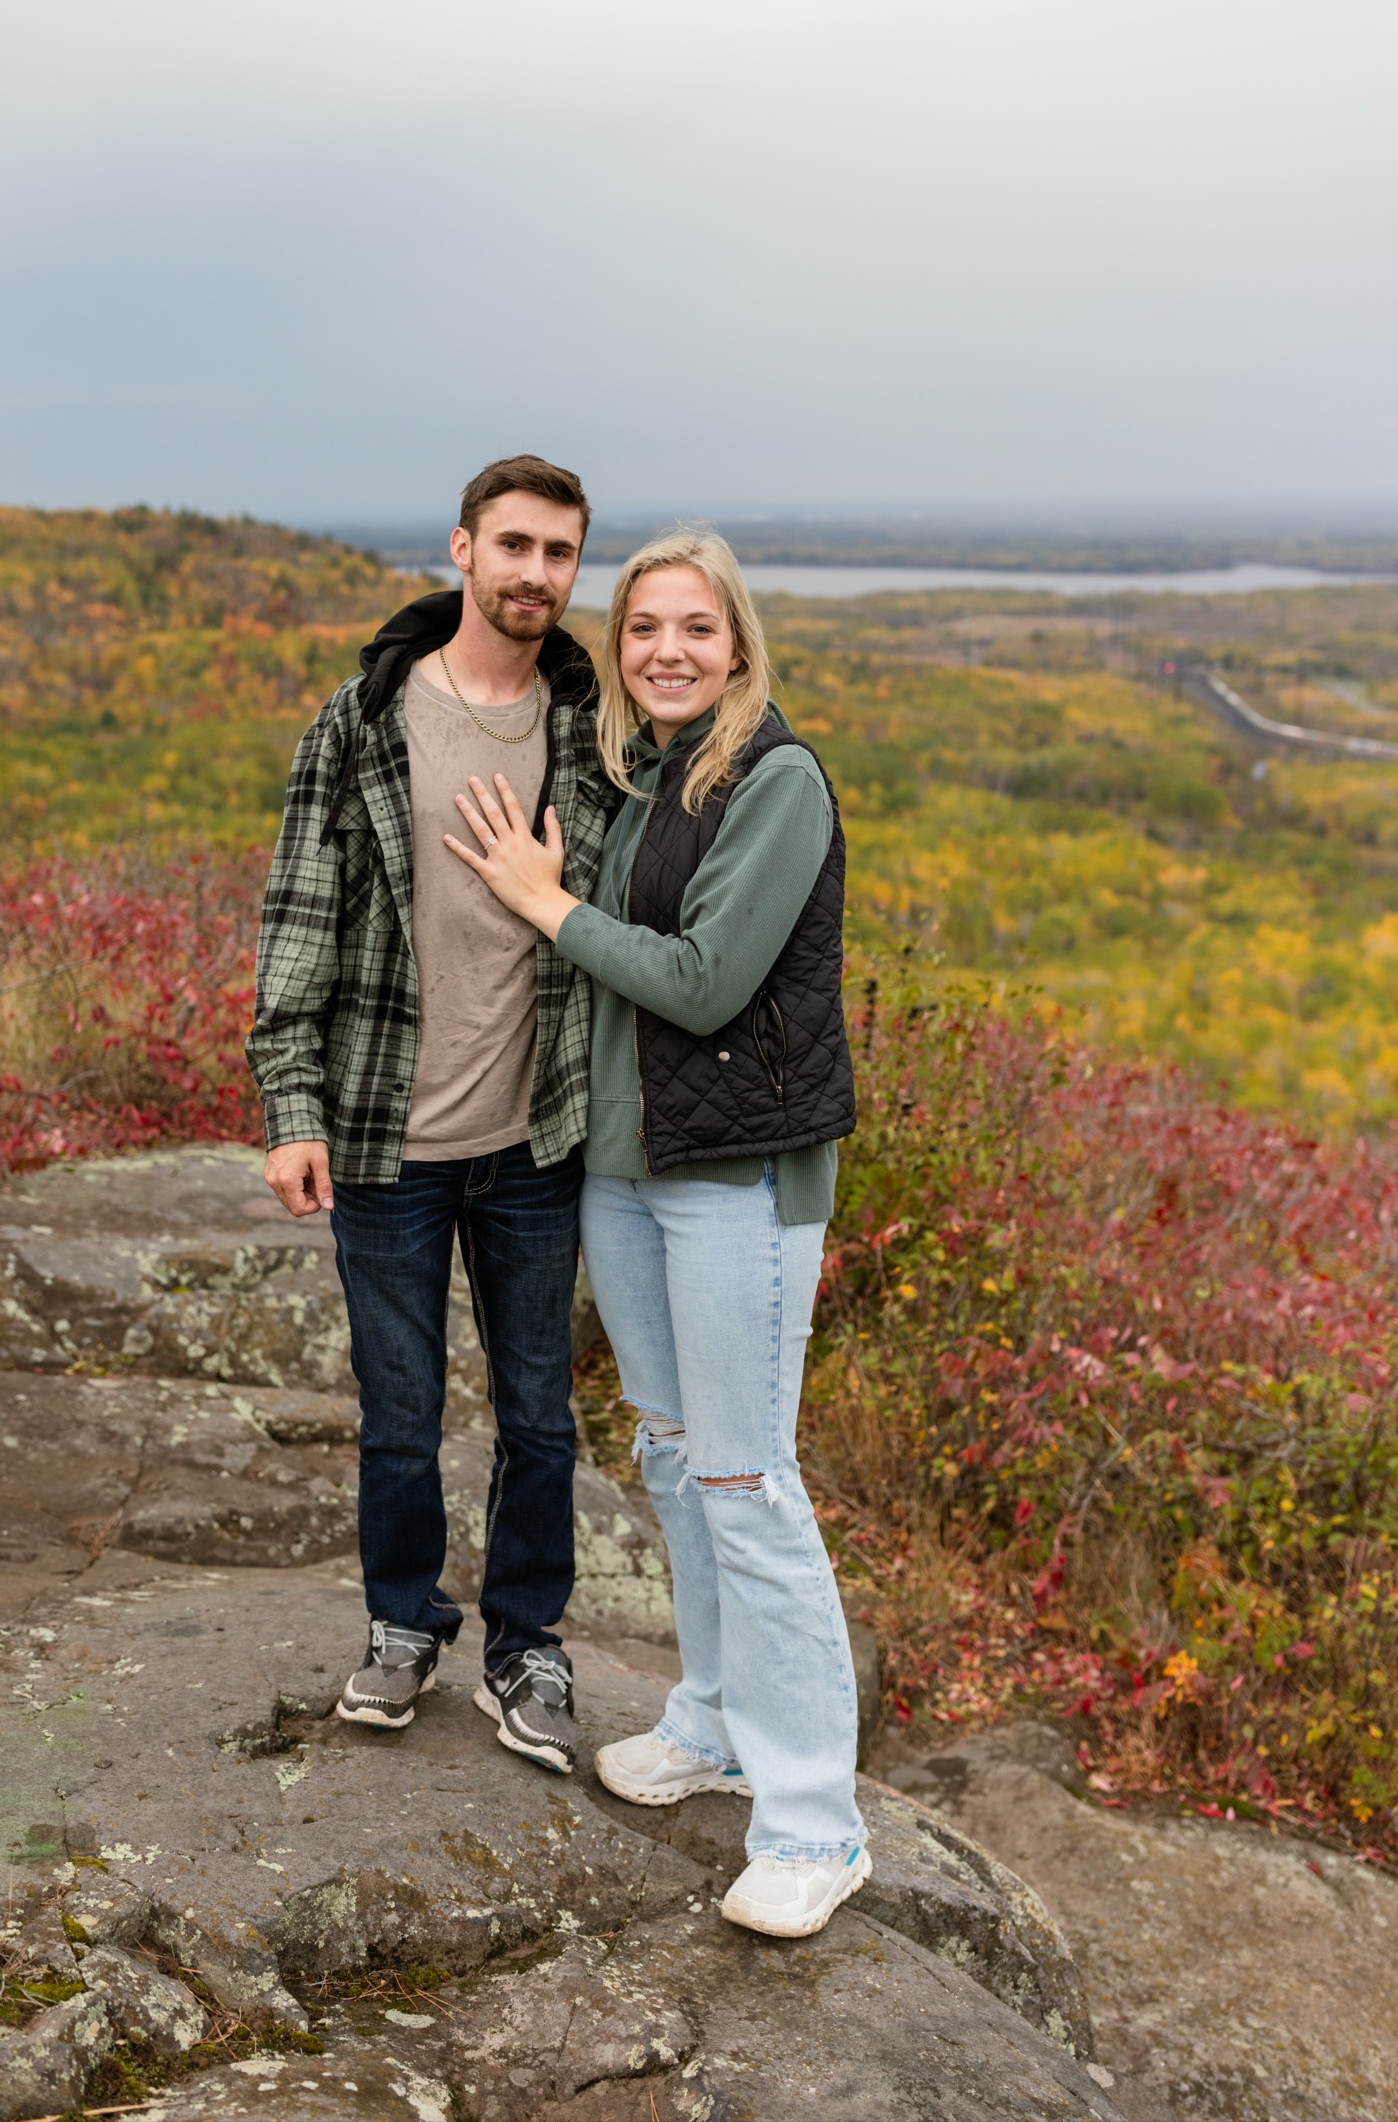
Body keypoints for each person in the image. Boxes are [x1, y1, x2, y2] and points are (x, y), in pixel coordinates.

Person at [443, 527, 867, 1938]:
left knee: (748, 1483)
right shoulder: (640, 782)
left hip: (738, 1180)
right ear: (620, 650)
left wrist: (543, 904)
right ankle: (713, 1724)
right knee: (680, 1462)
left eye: (695, 628)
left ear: (738, 645)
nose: (667, 650)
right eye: (642, 630)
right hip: (623, 1175)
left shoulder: (778, 783)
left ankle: (814, 1824)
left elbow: (699, 982)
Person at [246, 454, 611, 1774]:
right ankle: (404, 1624)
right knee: (399, 1411)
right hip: (386, 1141)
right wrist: (292, 1110)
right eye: (512, 545)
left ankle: (526, 1646)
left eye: (560, 554)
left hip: (538, 1139)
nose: (534, 575)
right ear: (461, 548)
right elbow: (299, 922)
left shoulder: (594, 733)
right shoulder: (362, 721)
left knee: (539, 1413)